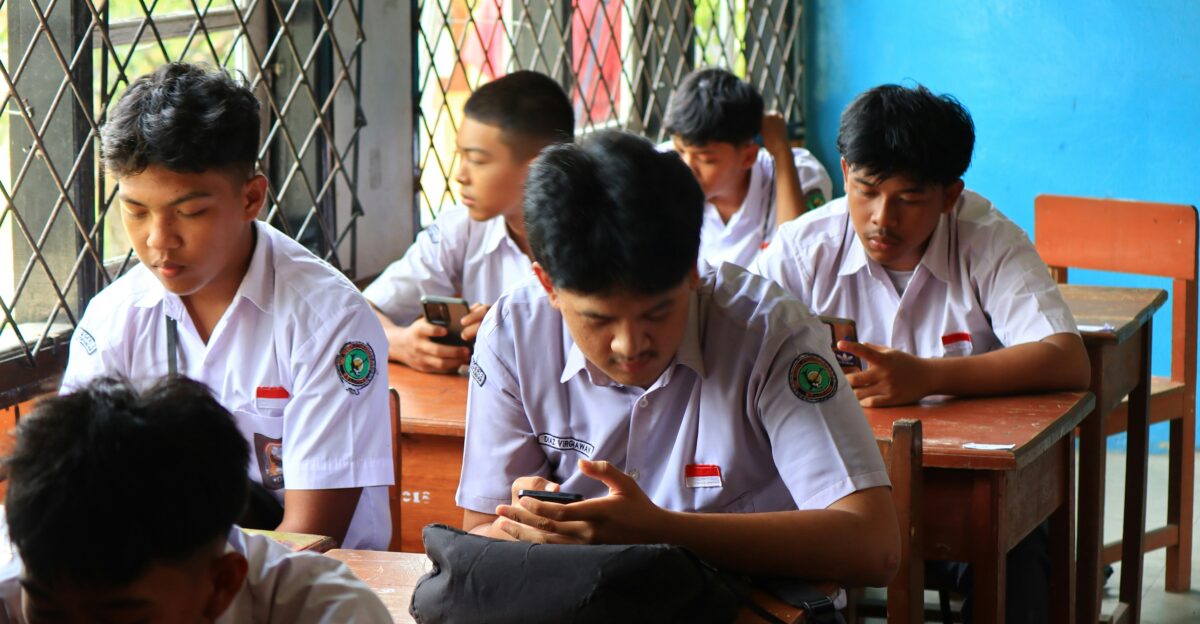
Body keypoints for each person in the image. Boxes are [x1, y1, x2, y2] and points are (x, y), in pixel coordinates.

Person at [455, 130, 899, 586]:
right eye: (599, 319)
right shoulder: (514, 333)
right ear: (547, 284)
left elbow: (873, 546)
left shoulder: (771, 333)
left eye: (657, 312)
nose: (629, 345)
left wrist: (661, 533)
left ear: (692, 271)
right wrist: (528, 524)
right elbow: (480, 532)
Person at [753, 83, 1091, 622]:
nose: (882, 218)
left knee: (1018, 559)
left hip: (959, 481)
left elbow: (1065, 356)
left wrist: (928, 377)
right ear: (844, 172)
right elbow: (737, 348)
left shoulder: (987, 239)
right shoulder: (802, 248)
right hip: (826, 483)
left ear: (950, 195)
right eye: (866, 190)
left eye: (909, 199)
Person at [61, 63, 393, 550]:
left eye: (190, 212)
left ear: (251, 197)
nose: (158, 240)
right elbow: (75, 488)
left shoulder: (330, 322)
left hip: (311, 592)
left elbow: (309, 540)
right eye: (135, 211)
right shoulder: (115, 318)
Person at [0, 377, 391, 622]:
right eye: (48, 615)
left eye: (119, 621)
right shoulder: (11, 601)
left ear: (222, 584)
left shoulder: (329, 615)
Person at [364, 71, 575, 372]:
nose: (460, 175)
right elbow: (362, 310)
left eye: (476, 160)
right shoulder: (461, 227)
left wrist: (519, 329)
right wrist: (400, 343)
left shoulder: (601, 232)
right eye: (460, 156)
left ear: (537, 167)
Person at [664, 68, 833, 273]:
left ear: (747, 156)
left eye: (705, 159)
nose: (687, 167)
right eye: (680, 150)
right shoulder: (659, 167)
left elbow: (798, 269)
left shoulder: (799, 174)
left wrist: (781, 152)